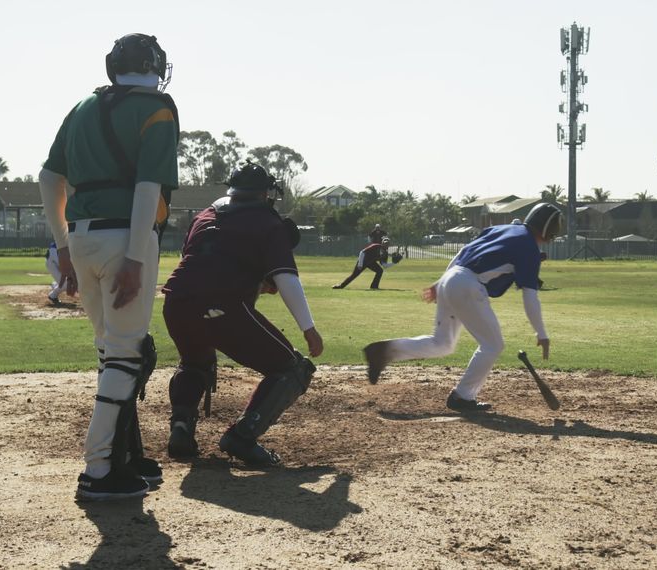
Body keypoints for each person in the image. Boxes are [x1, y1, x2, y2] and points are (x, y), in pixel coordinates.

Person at [38, 33, 179, 501]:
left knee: (111, 354)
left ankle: (124, 456)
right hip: (128, 236)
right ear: (156, 66)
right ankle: (99, 469)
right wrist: (137, 258)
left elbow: (49, 177)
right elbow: (147, 187)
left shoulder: (81, 107)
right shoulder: (157, 106)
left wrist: (61, 246)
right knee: (125, 356)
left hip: (80, 236)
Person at [162, 162, 322, 468]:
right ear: (265, 193)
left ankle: (181, 428)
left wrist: (252, 282)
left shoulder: (204, 216)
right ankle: (242, 436)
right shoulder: (267, 221)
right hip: (220, 306)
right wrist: (308, 328)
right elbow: (286, 278)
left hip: (176, 302)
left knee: (195, 364)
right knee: (291, 369)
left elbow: (204, 262)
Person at [362, 203, 563, 411]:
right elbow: (530, 296)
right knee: (493, 345)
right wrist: (541, 333)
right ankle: (463, 397)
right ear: (549, 230)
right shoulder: (529, 247)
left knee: (442, 343)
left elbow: (464, 251)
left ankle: (384, 351)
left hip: (453, 277)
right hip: (469, 284)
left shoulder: (503, 229)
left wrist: (440, 282)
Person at [332, 237, 400, 290]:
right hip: (363, 261)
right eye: (385, 243)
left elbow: (384, 266)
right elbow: (362, 252)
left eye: (387, 244)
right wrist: (360, 264)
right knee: (354, 275)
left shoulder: (385, 254)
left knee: (380, 271)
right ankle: (341, 286)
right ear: (382, 243)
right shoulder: (375, 246)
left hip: (371, 263)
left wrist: (394, 263)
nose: (386, 245)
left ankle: (374, 286)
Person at [45, 240, 66, 305]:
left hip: (53, 258)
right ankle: (52, 296)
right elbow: (64, 271)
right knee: (66, 284)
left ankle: (54, 285)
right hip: (51, 263)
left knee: (66, 283)